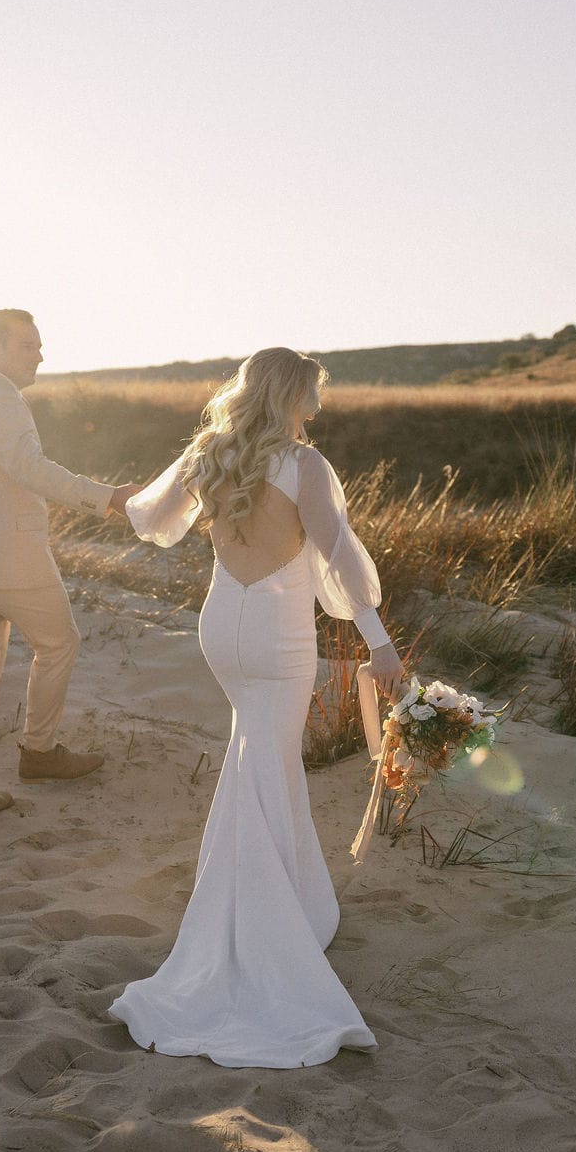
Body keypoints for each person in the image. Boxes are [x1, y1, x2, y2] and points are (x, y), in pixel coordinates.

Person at [108, 347, 403, 1068]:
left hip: (221, 627)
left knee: (259, 763)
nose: (319, 402)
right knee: (267, 768)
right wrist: (380, 644)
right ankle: (258, 938)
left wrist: (115, 496)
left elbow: (150, 516)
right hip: (275, 635)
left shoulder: (210, 450)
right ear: (293, 394)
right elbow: (337, 557)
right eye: (314, 391)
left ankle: (296, 910)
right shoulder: (306, 466)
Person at [0, 309, 136, 833]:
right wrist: (108, 497)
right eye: (27, 346)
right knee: (60, 643)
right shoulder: (1, 402)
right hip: (8, 558)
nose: (40, 355)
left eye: (39, 345)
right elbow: (33, 470)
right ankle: (40, 753)